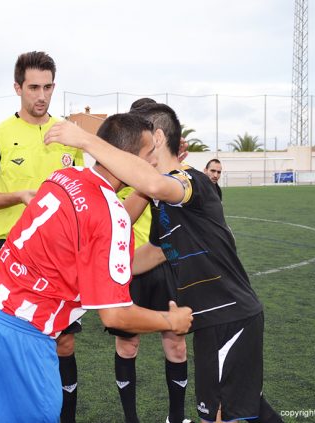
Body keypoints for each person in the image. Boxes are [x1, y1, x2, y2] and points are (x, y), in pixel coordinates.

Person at [0, 113, 193, 423]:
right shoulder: (108, 213)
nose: (153, 162)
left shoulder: (64, 176)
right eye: (148, 155)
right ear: (124, 157)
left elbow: (105, 235)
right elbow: (115, 314)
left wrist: (152, 221)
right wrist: (171, 319)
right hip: (20, 333)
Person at [45, 102, 283, 423]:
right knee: (247, 410)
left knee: (224, 416)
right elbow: (155, 250)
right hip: (210, 320)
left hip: (230, 318)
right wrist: (95, 274)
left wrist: (87, 141)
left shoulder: (189, 180)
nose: (131, 152)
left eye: (138, 142)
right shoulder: (160, 201)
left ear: (156, 138)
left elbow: (156, 184)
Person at [0, 51, 84, 422]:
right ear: (17, 87)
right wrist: (18, 196)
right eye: (34, 87)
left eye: (48, 87)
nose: (42, 96)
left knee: (64, 342)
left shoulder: (68, 134)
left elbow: (80, 192)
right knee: (4, 346)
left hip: (60, 257)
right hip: (11, 255)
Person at [107, 100, 193, 423]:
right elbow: (120, 218)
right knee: (127, 347)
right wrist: (148, 177)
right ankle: (131, 419)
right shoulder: (119, 162)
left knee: (177, 347)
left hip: (165, 261)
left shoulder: (164, 167)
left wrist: (169, 168)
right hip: (128, 264)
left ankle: (176, 417)